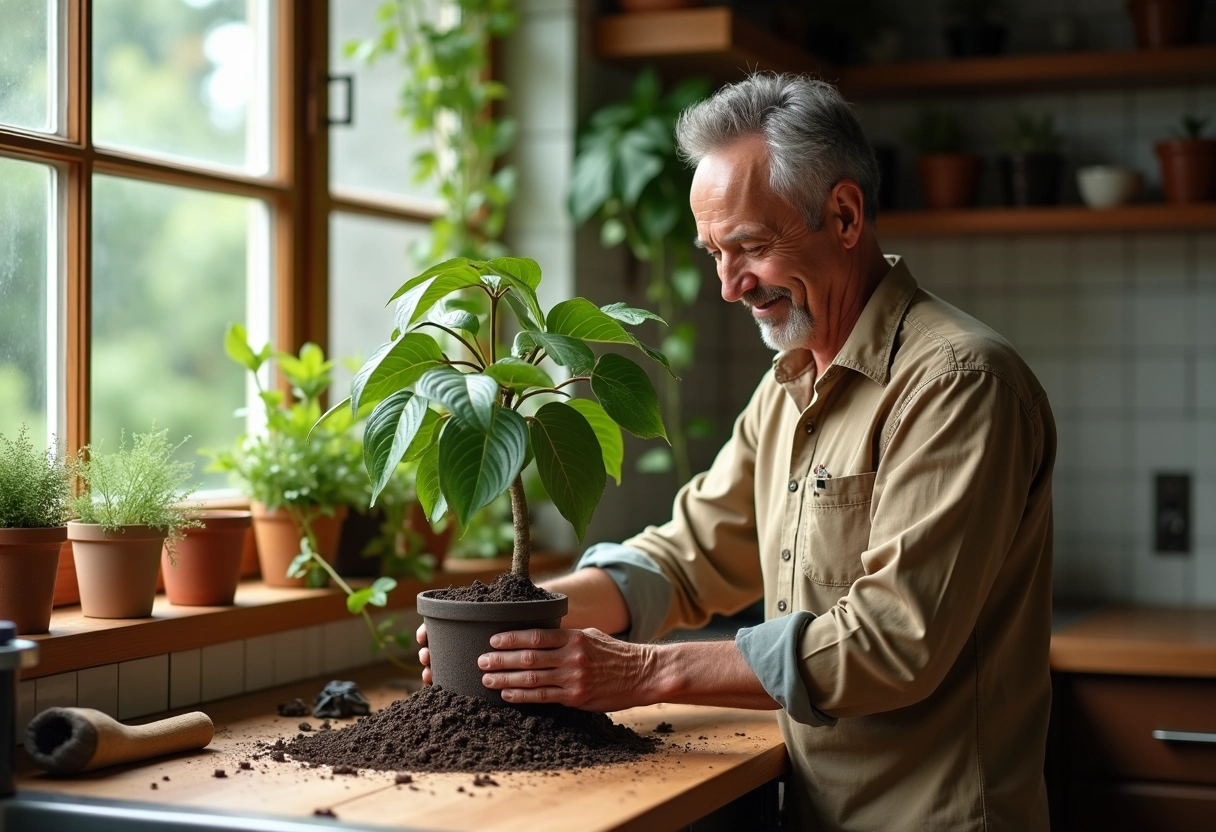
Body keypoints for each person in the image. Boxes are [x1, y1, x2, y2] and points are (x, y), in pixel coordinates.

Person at [417, 73, 1055, 831]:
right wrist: (525, 622)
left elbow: (892, 641)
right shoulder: (791, 382)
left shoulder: (959, 383)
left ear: (845, 215)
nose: (727, 285)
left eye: (749, 247)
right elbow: (692, 555)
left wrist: (641, 673)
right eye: (714, 252)